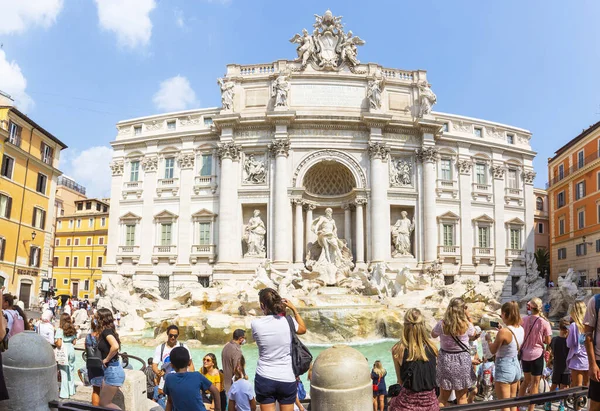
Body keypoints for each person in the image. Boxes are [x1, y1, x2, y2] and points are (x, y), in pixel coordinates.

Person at [251, 288, 307, 411]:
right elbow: (303, 329)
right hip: (287, 377)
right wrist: (294, 309)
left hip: (265, 376)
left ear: (262, 305)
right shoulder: (289, 321)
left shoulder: (255, 324)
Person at [432, 297, 479, 406]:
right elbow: (474, 334)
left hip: (445, 360)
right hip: (462, 361)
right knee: (462, 398)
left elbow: (433, 334)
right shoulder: (466, 324)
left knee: (443, 397)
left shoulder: (442, 324)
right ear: (462, 309)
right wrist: (468, 316)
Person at [389, 308, 439, 411]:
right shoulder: (433, 348)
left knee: (391, 405)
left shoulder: (398, 350)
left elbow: (400, 381)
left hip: (406, 405)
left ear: (405, 326)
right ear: (422, 326)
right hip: (430, 405)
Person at [485, 301, 524, 411]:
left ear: (506, 314)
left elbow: (493, 350)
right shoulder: (521, 329)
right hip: (515, 365)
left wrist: (488, 340)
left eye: (501, 314)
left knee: (504, 405)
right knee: (512, 402)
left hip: (504, 366)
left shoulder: (504, 332)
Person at [518, 297, 552, 411]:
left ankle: (518, 406)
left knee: (526, 381)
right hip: (537, 355)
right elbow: (548, 341)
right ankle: (531, 409)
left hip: (525, 355)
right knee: (535, 384)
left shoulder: (523, 320)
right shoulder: (544, 322)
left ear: (530, 307)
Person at [164, 346, 220, 411]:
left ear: (171, 365)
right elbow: (215, 391)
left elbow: (170, 401)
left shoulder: (169, 378)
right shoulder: (197, 376)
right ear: (189, 362)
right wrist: (218, 409)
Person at [152, 325, 195, 403]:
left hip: (181, 380)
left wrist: (191, 379)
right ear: (167, 334)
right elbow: (154, 365)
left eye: (175, 336)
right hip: (166, 381)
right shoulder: (160, 348)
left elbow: (190, 364)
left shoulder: (183, 347)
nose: (173, 338)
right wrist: (158, 372)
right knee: (168, 403)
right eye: (171, 335)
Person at [97, 307, 125, 409]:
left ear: (101, 319)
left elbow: (115, 346)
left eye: (96, 317)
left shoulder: (106, 332)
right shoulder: (108, 331)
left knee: (105, 403)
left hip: (113, 371)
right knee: (104, 404)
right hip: (110, 370)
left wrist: (106, 359)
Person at [545, 318, 571, 411]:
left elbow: (551, 348)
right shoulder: (569, 341)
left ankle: (548, 402)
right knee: (563, 387)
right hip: (567, 367)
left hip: (557, 366)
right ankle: (561, 405)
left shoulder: (555, 340)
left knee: (554, 385)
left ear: (559, 328)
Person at [583, 293, 600, 411]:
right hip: (599, 361)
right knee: (595, 403)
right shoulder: (595, 301)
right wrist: (592, 364)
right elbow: (588, 335)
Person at [567, 300, 589, 388]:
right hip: (588, 358)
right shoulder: (589, 325)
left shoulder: (573, 326)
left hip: (577, 359)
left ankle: (578, 402)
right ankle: (585, 402)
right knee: (586, 385)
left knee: (576, 386)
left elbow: (569, 344)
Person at [55, 313, 77, 399]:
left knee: (64, 372)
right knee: (71, 370)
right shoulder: (73, 329)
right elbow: (74, 342)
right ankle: (71, 390)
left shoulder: (60, 330)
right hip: (71, 350)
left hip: (64, 351)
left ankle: (64, 393)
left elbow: (59, 344)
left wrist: (55, 342)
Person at [86, 315, 104, 406]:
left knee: (95, 390)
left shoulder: (88, 336)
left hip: (91, 365)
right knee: (104, 390)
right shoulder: (102, 336)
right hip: (101, 365)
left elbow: (87, 350)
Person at [222, 329, 245, 395]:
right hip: (233, 386)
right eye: (244, 338)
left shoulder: (226, 346)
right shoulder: (237, 351)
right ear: (240, 338)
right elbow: (237, 370)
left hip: (226, 384)